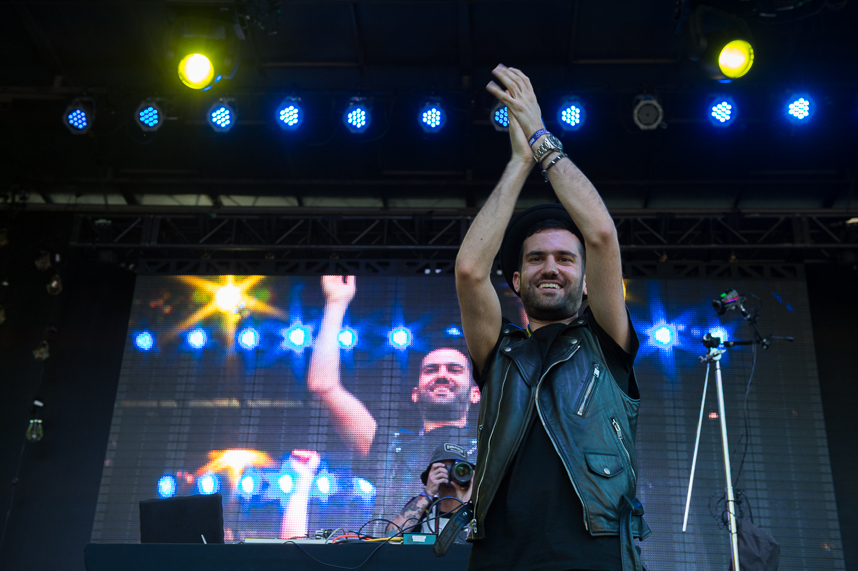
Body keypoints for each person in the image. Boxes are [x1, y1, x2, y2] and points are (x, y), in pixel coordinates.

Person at [454, 64, 650, 571]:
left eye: (565, 259)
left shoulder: (605, 340)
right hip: (499, 554)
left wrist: (540, 139)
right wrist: (518, 163)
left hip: (594, 551)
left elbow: (601, 235)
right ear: (517, 280)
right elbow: (470, 270)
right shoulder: (500, 351)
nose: (551, 267)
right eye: (536, 258)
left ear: (585, 282)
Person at [307, 275, 480, 514]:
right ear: (415, 394)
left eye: (454, 369)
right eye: (431, 370)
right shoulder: (389, 449)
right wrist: (336, 303)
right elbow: (323, 387)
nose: (441, 375)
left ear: (475, 394)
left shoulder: (492, 449)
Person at [386, 442, 474, 541]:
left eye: (459, 470)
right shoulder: (423, 508)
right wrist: (428, 493)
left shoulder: (478, 513)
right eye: (443, 469)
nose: (449, 474)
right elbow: (391, 536)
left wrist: (468, 503)